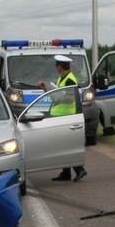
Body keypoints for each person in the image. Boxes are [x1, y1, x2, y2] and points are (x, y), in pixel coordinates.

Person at [38, 54, 88, 182]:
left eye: (56, 65)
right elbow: (56, 96)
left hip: (66, 115)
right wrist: (45, 89)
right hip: (59, 115)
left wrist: (60, 97)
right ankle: (66, 173)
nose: (55, 67)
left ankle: (79, 170)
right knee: (61, 144)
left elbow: (70, 98)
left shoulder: (70, 79)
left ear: (61, 66)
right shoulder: (62, 78)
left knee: (64, 145)